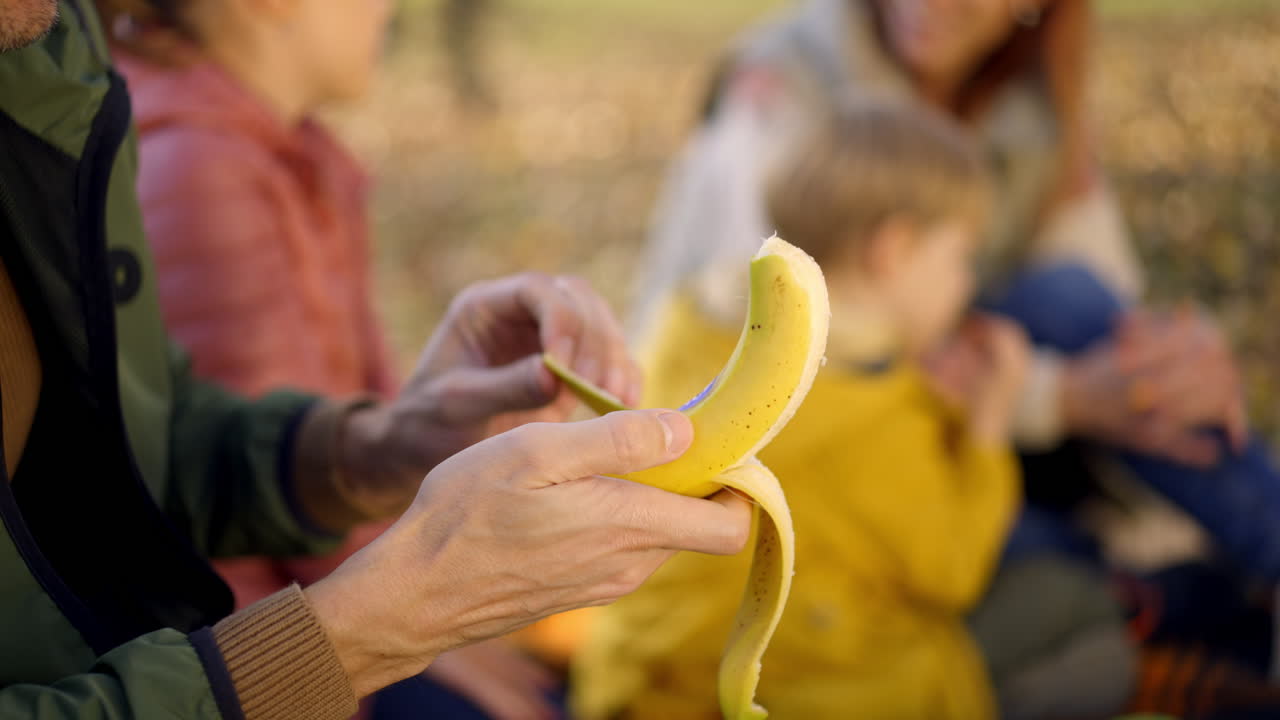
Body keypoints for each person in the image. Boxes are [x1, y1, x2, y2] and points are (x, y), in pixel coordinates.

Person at [0, 1, 751, 718]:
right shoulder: (201, 169)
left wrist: (384, 447)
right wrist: (388, 625)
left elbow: (121, 448)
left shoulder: (53, 78)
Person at [635, 0, 1280, 603]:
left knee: (1082, 308)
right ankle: (1134, 607)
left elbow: (1092, 294)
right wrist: (1054, 398)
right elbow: (760, 376)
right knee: (1036, 571)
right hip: (823, 459)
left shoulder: (1037, 95)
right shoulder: (780, 88)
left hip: (957, 411)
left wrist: (1173, 356)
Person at [575, 100, 1132, 720]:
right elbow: (955, 570)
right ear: (892, 250)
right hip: (798, 692)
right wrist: (987, 424)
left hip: (635, 676)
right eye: (959, 258)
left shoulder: (689, 322)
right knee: (1085, 617)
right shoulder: (879, 414)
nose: (966, 283)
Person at [93, 0, 561, 717]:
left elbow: (322, 422)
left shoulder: (295, 154)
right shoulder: (202, 166)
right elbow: (242, 494)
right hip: (251, 643)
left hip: (325, 605)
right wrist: (435, 630)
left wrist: (428, 433)